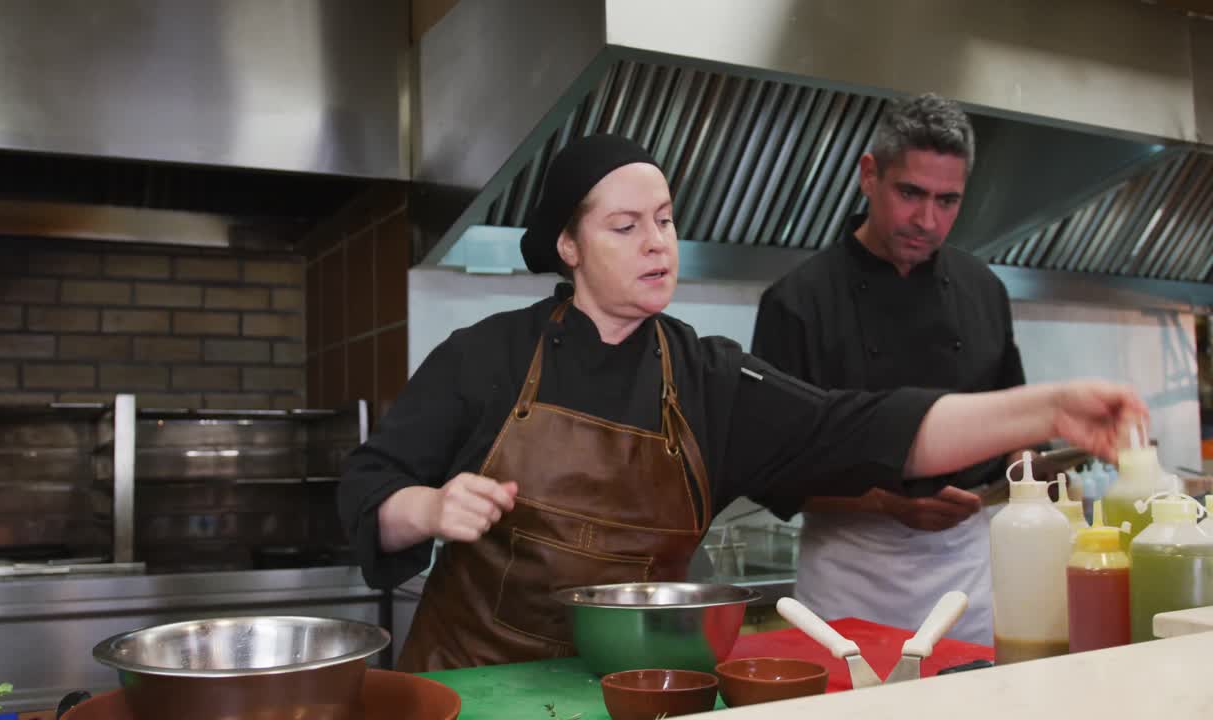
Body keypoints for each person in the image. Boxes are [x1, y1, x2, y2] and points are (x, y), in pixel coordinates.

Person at [338, 133, 1144, 672]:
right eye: (625, 226)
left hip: (640, 691)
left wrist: (1048, 409)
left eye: (664, 220)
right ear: (568, 246)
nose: (658, 242)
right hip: (479, 690)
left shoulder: (706, 377)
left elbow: (868, 426)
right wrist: (428, 506)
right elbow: (367, 490)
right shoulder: (486, 356)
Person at [751, 93, 1027, 644]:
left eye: (948, 201)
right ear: (869, 174)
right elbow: (769, 469)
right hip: (852, 578)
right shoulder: (797, 302)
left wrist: (1030, 466)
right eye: (910, 194)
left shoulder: (984, 291)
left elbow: (1012, 423)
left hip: (968, 578)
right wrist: (880, 501)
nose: (927, 220)